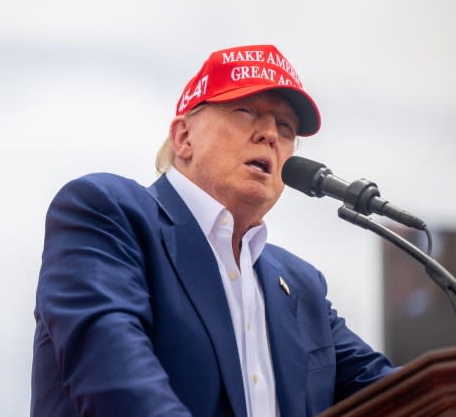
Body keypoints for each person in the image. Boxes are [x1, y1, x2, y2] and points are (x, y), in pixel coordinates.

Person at [30, 44, 395, 417]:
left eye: (285, 127)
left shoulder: (303, 287)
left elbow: (396, 394)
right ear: (184, 137)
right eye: (244, 111)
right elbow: (117, 382)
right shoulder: (106, 213)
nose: (269, 133)